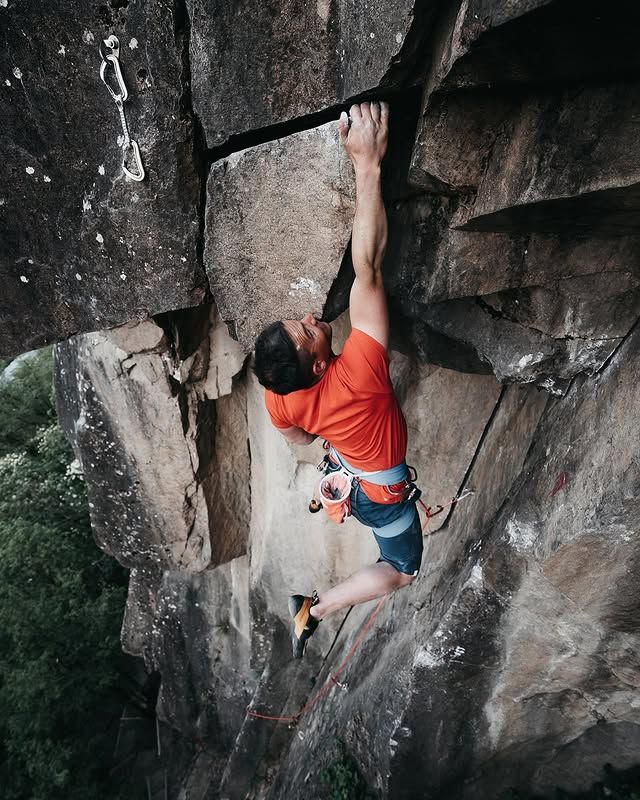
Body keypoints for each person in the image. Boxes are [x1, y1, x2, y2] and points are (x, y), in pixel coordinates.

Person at [253, 101, 422, 658]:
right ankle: (314, 608)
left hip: (353, 478)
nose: (310, 319)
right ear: (321, 363)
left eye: (295, 322)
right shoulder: (360, 372)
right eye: (308, 333)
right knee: (402, 569)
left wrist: (329, 439)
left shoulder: (281, 395)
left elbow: (300, 438)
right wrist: (367, 164)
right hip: (379, 494)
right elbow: (367, 266)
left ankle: (315, 602)